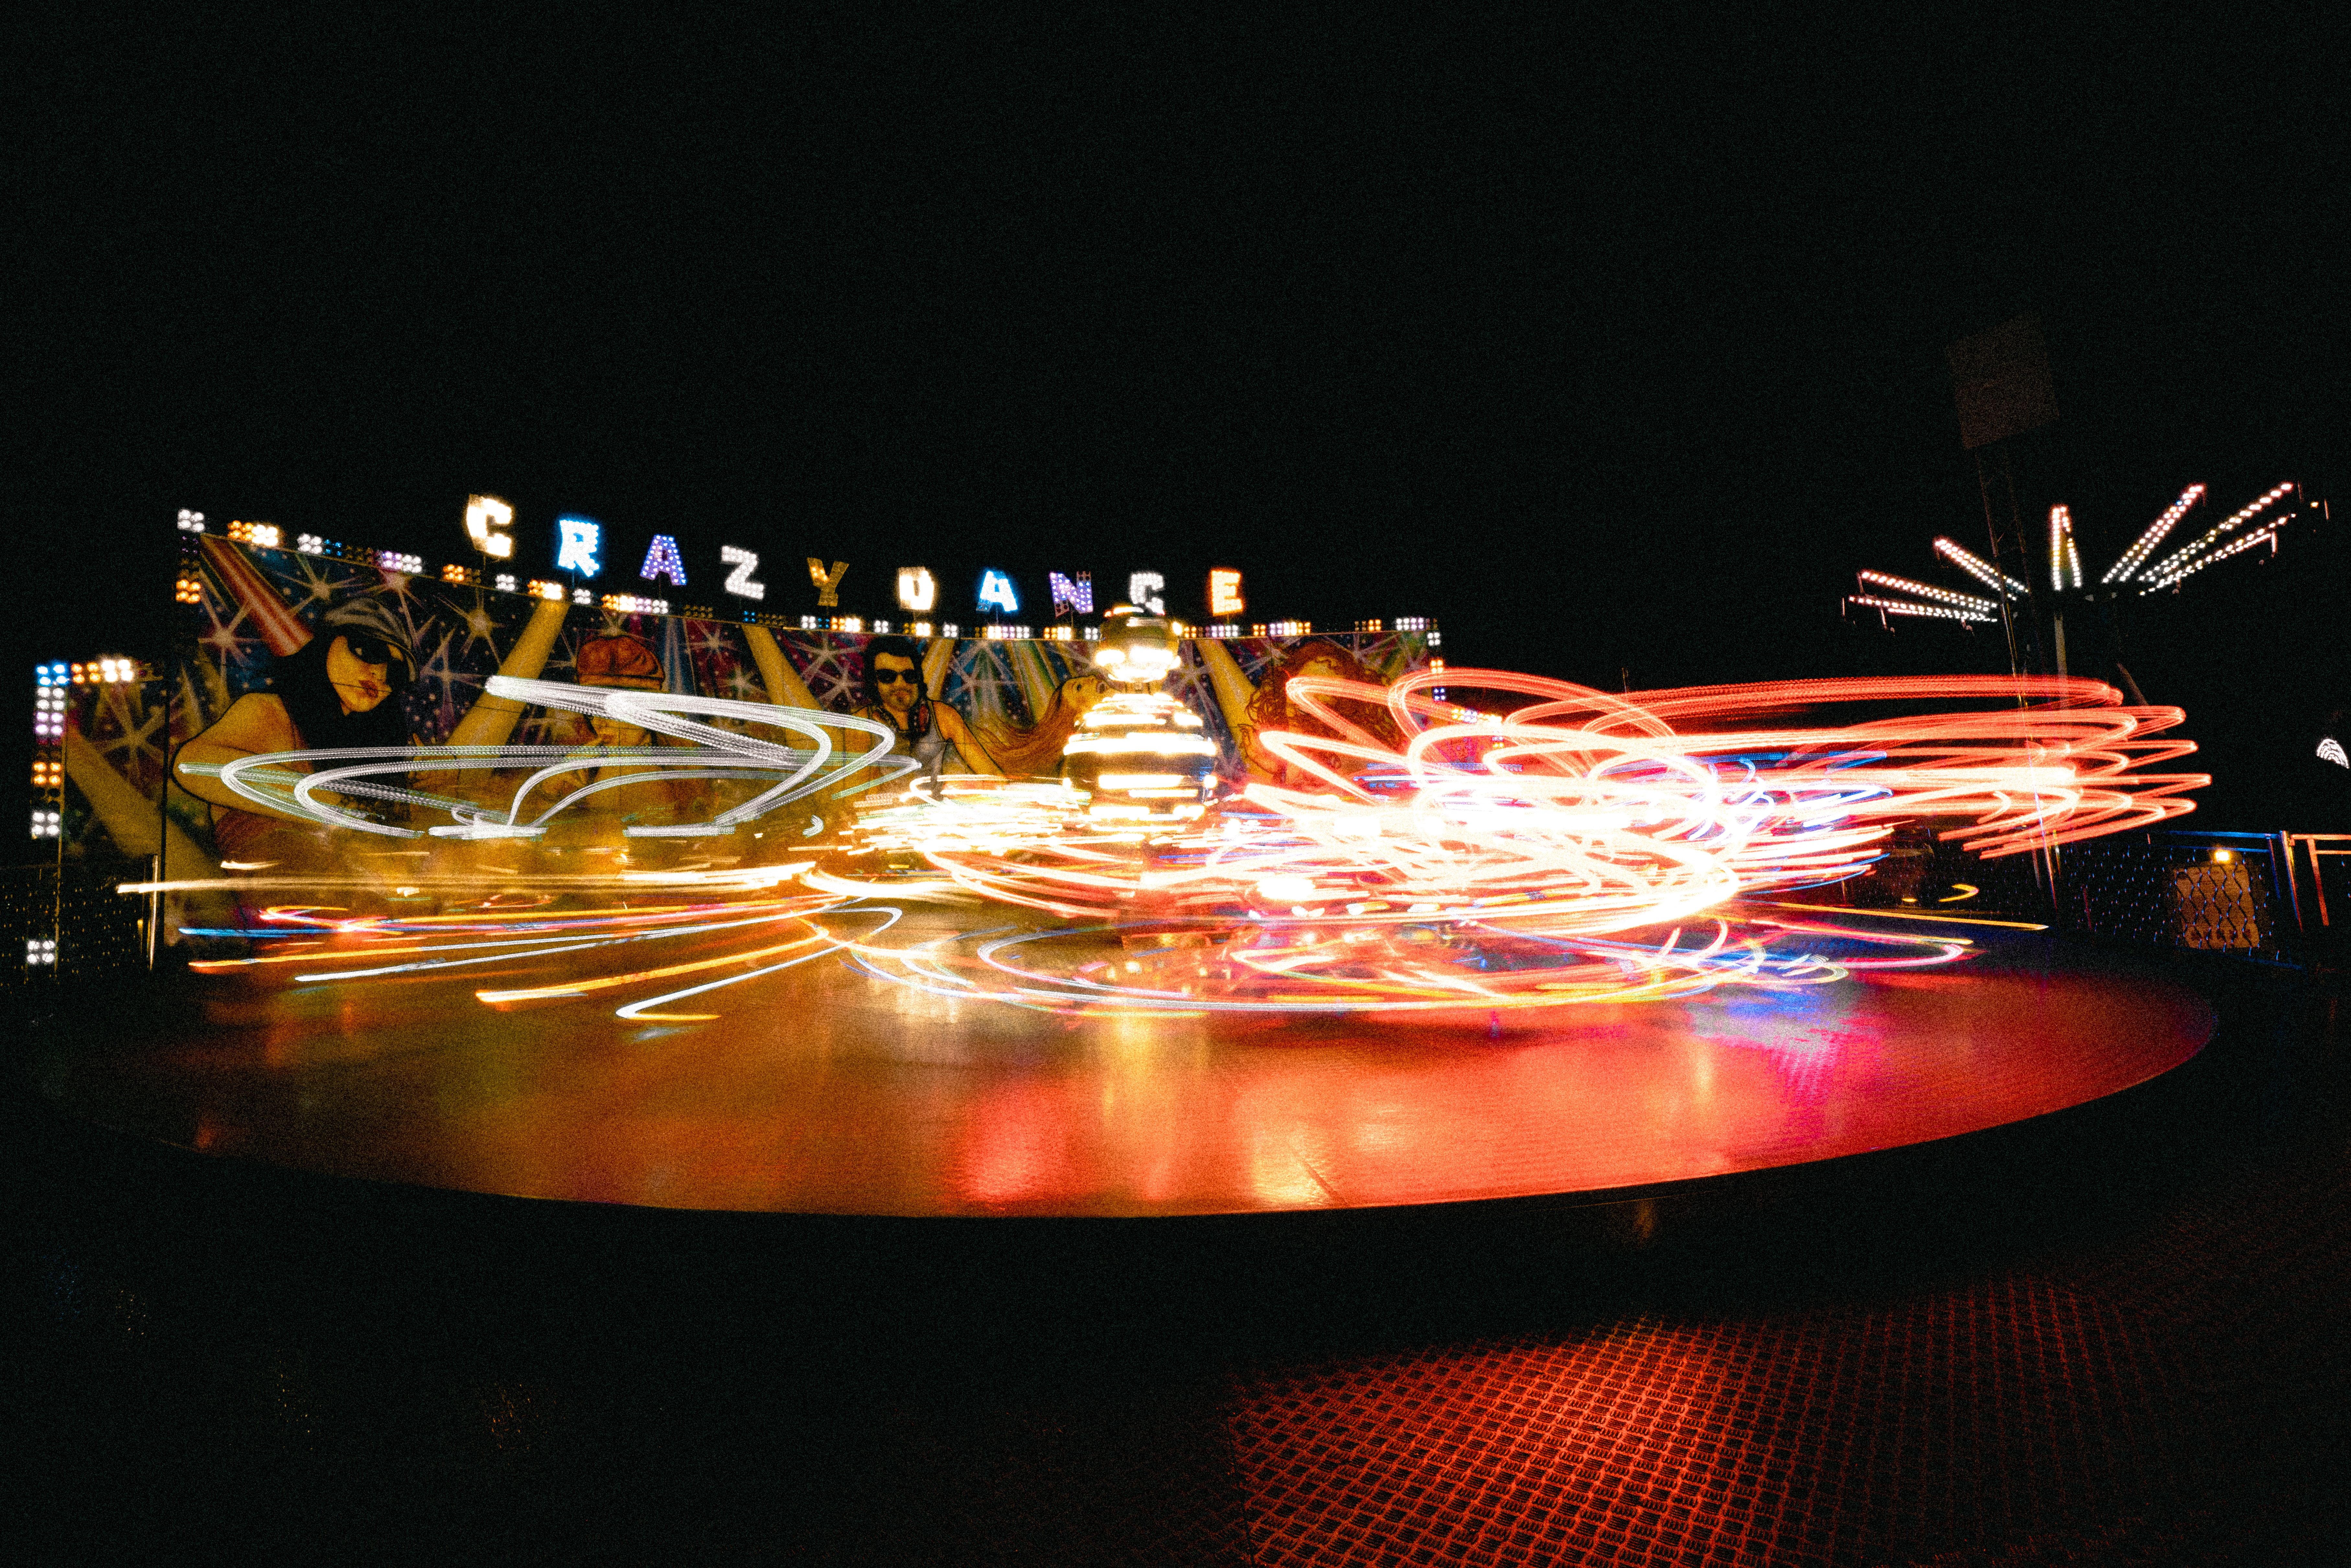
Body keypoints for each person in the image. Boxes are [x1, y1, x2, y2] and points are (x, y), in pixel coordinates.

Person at [175, 600, 416, 859]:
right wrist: (346, 812)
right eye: (369, 651)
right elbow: (191, 767)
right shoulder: (268, 712)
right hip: (282, 893)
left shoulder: (381, 749)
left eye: (396, 672)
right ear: (326, 645)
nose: (380, 674)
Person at [853, 636, 999, 783]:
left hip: (937, 805)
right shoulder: (861, 724)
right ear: (874, 682)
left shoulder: (943, 716)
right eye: (887, 677)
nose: (900, 684)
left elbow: (991, 774)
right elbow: (856, 789)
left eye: (909, 676)